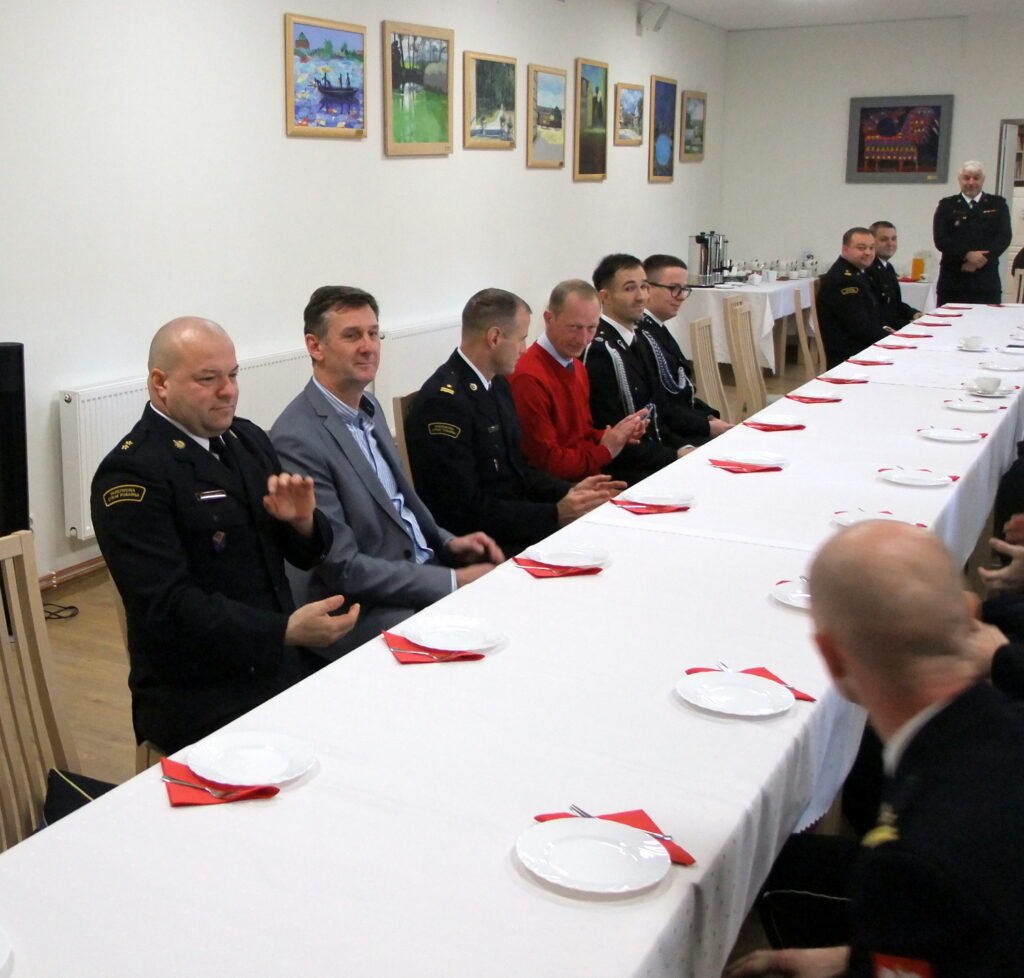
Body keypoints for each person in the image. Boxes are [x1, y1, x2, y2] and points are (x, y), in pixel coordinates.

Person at [728, 521, 1024, 978]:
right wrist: (856, 958)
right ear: (970, 617)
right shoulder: (1000, 725)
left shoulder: (909, 865)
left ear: (833, 658)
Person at [91, 318, 359, 755]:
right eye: (208, 379)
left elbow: (304, 554)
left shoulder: (245, 440)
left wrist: (302, 523)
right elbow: (167, 608)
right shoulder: (133, 474)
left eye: (233, 375)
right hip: (200, 692)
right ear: (160, 384)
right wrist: (283, 630)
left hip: (274, 665)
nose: (228, 391)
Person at [270, 286, 503, 659]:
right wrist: (451, 580)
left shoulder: (368, 405)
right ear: (315, 346)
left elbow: (400, 507)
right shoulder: (297, 438)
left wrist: (446, 542)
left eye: (373, 333)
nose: (369, 346)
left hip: (419, 571)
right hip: (370, 607)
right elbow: (344, 568)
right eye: (352, 335)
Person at [406, 288, 622, 555]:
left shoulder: (496, 383)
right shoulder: (444, 404)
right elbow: (462, 510)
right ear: (494, 337)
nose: (524, 349)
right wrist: (554, 514)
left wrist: (569, 490)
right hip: (481, 544)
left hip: (513, 522)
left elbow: (518, 468)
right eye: (521, 339)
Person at [508, 278, 648, 481]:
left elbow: (580, 435)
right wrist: (606, 451)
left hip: (587, 478)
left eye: (592, 328)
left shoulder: (577, 366)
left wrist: (616, 435)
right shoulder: (527, 377)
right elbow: (546, 462)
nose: (583, 339)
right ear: (549, 319)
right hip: (564, 488)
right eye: (574, 327)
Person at [583, 254, 694, 482]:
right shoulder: (601, 351)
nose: (641, 296)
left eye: (644, 286)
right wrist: (674, 456)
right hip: (627, 471)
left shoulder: (638, 340)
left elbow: (657, 417)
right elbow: (611, 435)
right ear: (605, 297)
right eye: (629, 288)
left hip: (654, 455)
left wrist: (684, 448)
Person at [638, 253, 732, 443]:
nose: (681, 297)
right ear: (647, 289)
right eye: (673, 288)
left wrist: (708, 417)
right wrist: (706, 426)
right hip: (669, 437)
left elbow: (683, 394)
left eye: (684, 289)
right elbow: (662, 406)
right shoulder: (641, 336)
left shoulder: (657, 328)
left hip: (685, 423)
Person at [933, 160, 1012, 305]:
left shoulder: (998, 204)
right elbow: (941, 239)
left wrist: (981, 259)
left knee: (988, 318)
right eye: (966, 178)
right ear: (960, 180)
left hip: (986, 281)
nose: (971, 182)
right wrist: (967, 255)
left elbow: (1004, 237)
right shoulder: (946, 205)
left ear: (983, 180)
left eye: (976, 178)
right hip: (953, 281)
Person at [816, 227, 888, 369]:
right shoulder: (845, 279)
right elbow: (860, 327)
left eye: (871, 248)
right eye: (861, 248)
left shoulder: (858, 273)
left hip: (861, 346)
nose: (868, 252)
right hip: (848, 355)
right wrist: (892, 339)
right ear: (845, 249)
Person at [865, 221, 919, 330]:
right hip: (882, 330)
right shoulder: (868, 269)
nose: (890, 243)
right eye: (884, 239)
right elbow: (879, 312)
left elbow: (895, 304)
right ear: (872, 242)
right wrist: (907, 324)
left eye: (893, 239)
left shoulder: (888, 267)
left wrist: (914, 314)